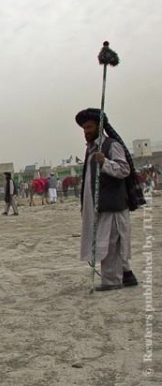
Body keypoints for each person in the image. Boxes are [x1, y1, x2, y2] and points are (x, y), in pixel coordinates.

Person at [75, 108, 139, 291]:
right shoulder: (91, 150)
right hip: (98, 206)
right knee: (109, 242)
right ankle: (127, 275)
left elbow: (124, 170)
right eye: (84, 128)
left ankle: (112, 281)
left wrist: (105, 162)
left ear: (99, 127)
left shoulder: (110, 145)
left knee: (111, 243)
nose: (86, 131)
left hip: (112, 205)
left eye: (89, 127)